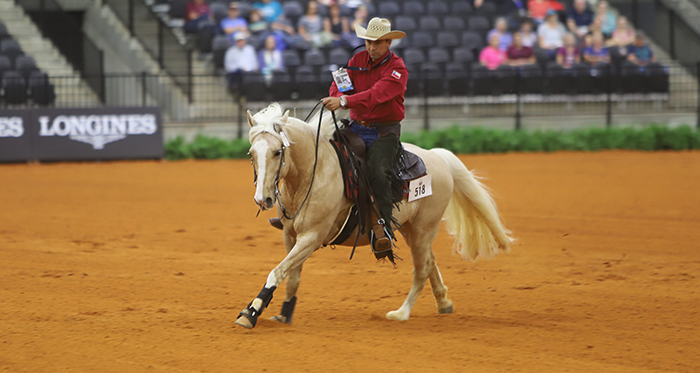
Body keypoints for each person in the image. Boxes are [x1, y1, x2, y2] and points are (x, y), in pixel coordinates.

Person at [320, 18, 409, 257]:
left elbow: (377, 95)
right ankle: (312, 213)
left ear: (389, 42)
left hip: (384, 132)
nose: (371, 47)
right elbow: (340, 85)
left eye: (378, 43)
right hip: (357, 127)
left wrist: (344, 101)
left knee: (378, 172)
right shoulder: (356, 60)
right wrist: (337, 95)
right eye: (369, 42)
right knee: (325, 156)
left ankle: (383, 228)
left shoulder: (397, 69)